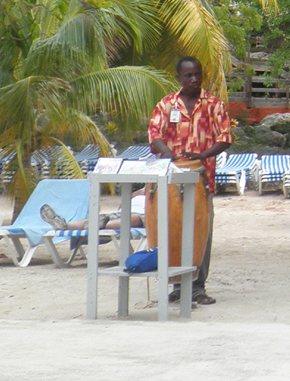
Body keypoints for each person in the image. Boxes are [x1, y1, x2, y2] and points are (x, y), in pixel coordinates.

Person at [148, 56, 232, 306]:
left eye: (197, 74)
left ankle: (197, 287)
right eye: (188, 75)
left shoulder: (214, 105)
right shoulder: (166, 105)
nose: (194, 79)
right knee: (173, 232)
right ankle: (177, 286)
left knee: (201, 234)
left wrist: (203, 155)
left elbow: (225, 137)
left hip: (201, 181)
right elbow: (153, 133)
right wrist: (166, 152)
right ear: (179, 78)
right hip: (171, 183)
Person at [40, 191, 146, 231]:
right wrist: (136, 194)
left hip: (145, 215)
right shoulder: (141, 190)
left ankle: (101, 225)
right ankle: (66, 225)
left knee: (132, 219)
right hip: (125, 211)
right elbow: (122, 204)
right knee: (104, 217)